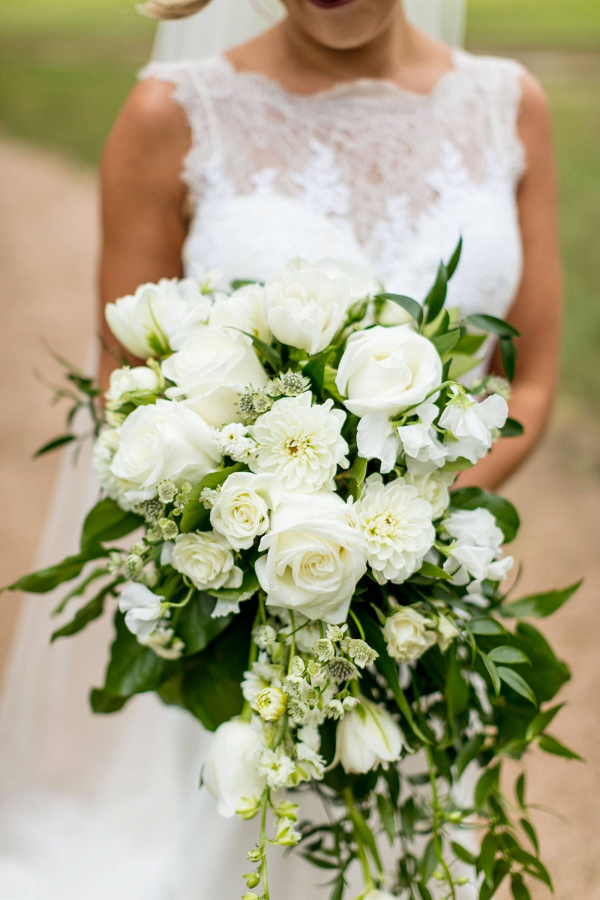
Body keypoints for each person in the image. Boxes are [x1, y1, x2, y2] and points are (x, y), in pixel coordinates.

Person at [0, 1, 562, 897]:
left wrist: (402, 537)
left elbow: (527, 381)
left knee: (415, 841)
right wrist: (266, 537)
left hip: (426, 594)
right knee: (259, 832)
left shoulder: (510, 106)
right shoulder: (171, 114)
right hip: (261, 595)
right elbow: (128, 382)